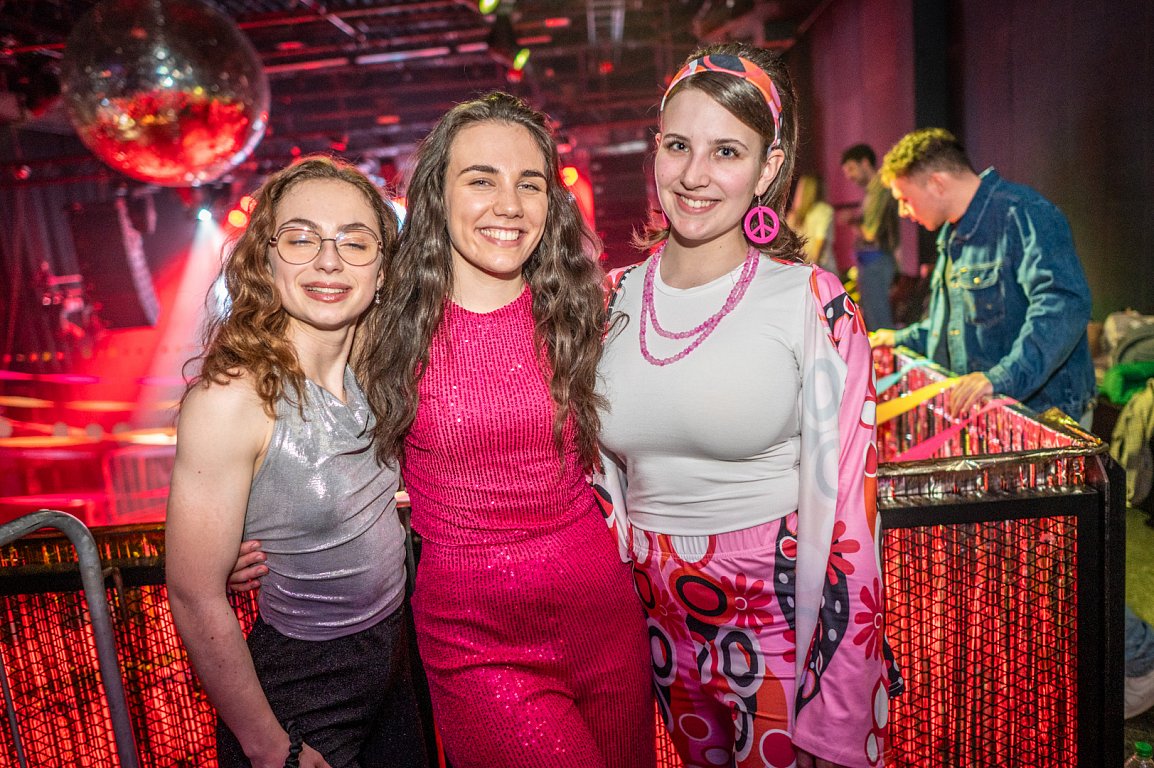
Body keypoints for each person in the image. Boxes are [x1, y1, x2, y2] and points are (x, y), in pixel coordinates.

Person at [596, 43, 901, 768]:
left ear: (768, 168)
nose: (694, 175)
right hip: (654, 617)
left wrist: (839, 704)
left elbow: (852, 506)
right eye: (678, 145)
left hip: (776, 614)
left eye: (726, 151)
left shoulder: (810, 301)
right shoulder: (608, 300)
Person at [347, 92, 650, 767]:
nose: (509, 204)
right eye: (482, 180)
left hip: (603, 618)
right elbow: (299, 416)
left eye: (529, 183)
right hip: (476, 644)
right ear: (437, 194)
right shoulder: (384, 327)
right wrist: (262, 531)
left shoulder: (584, 310)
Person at [166, 157, 428, 768]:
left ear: (383, 270)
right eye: (301, 239)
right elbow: (194, 595)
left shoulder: (379, 371)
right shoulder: (232, 400)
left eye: (354, 242)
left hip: (393, 664)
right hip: (301, 689)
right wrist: (269, 746)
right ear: (266, 261)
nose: (329, 261)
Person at [869, 128, 1096, 423]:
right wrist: (899, 338)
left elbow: (1064, 306)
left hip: (1045, 412)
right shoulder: (953, 233)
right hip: (997, 416)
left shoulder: (1023, 212)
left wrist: (1001, 377)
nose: (902, 211)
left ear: (937, 183)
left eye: (905, 199)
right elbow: (954, 327)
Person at [841, 143, 900, 331]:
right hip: (873, 262)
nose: (849, 176)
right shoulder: (874, 191)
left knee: (879, 323)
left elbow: (871, 234)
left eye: (851, 169)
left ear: (865, 163)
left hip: (876, 261)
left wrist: (852, 220)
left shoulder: (880, 188)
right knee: (874, 319)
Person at [787, 174, 837, 274]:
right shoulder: (823, 210)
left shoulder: (793, 216)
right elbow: (820, 243)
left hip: (798, 269)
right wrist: (812, 268)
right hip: (821, 269)